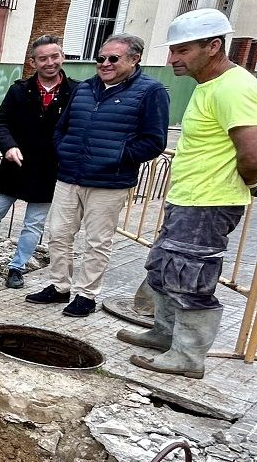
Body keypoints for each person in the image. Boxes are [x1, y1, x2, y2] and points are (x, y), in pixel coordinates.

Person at [121, 9, 257, 378]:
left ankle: (188, 356)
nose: (173, 59)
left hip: (208, 203)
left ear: (213, 46)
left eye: (182, 50)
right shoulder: (211, 86)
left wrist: (251, 183)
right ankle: (165, 334)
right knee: (164, 267)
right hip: (189, 200)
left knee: (190, 277)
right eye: (173, 50)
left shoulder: (234, 88)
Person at [26, 34, 169, 317]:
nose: (105, 63)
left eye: (113, 58)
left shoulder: (150, 91)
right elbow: (62, 127)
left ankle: (86, 295)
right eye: (101, 58)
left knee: (97, 241)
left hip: (108, 182)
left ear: (134, 59)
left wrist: (114, 157)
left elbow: (154, 141)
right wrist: (64, 150)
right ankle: (59, 286)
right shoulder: (85, 88)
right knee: (58, 234)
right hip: (69, 176)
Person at [0, 35, 78, 290]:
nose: (50, 63)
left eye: (54, 57)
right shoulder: (20, 90)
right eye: (43, 58)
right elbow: (0, 122)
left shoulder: (76, 92)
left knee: (33, 224)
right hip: (15, 167)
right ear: (33, 62)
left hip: (49, 171)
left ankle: (17, 267)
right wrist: (8, 146)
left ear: (62, 57)